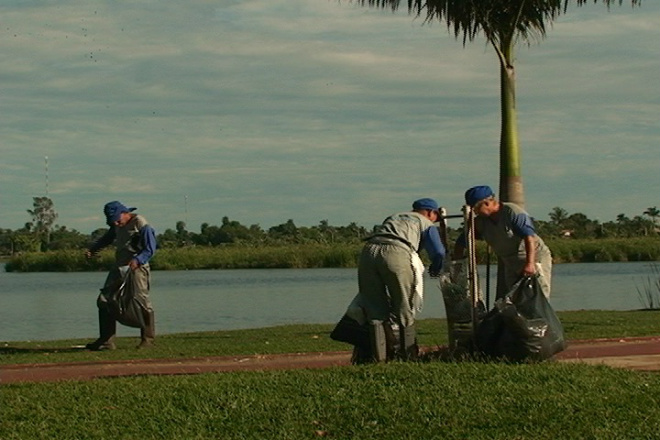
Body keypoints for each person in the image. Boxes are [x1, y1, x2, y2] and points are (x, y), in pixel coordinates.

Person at [356, 197, 445, 361]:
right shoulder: (426, 223)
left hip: (369, 252)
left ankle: (379, 358)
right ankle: (409, 356)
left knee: (374, 311)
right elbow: (439, 252)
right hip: (396, 252)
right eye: (436, 217)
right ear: (431, 212)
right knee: (405, 307)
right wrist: (436, 269)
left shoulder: (394, 217)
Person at [453, 185, 552, 299]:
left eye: (476, 209)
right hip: (510, 262)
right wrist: (457, 266)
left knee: (538, 296)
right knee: (516, 299)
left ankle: (541, 317)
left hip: (533, 257)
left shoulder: (512, 212)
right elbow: (462, 241)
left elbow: (529, 237)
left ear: (487, 203)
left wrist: (530, 264)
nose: (475, 213)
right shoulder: (480, 222)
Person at [85, 201, 157, 350]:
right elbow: (107, 238)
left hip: (137, 268)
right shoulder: (116, 226)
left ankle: (147, 339)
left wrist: (138, 260)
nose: (116, 224)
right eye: (113, 222)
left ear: (125, 213)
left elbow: (150, 248)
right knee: (104, 300)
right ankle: (106, 340)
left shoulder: (141, 223)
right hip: (119, 267)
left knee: (141, 301)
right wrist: (93, 249)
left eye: (118, 220)